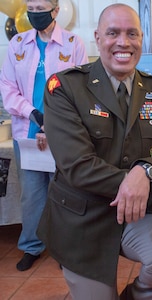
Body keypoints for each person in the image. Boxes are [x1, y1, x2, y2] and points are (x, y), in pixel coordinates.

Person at [36, 4, 152, 300]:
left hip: (140, 214)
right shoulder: (65, 88)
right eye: (113, 33)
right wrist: (151, 183)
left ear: (141, 40)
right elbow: (78, 166)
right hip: (82, 216)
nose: (123, 42)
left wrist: (145, 172)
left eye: (132, 34)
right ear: (98, 38)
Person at [0, 0, 88, 271]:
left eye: (42, 9)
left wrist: (53, 120)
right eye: (32, 8)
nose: (36, 14)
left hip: (61, 132)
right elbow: (7, 87)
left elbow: (82, 88)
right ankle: (31, 246)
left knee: (64, 192)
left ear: (56, 10)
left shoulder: (73, 43)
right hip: (25, 131)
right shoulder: (17, 45)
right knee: (31, 194)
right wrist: (34, 114)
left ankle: (65, 249)